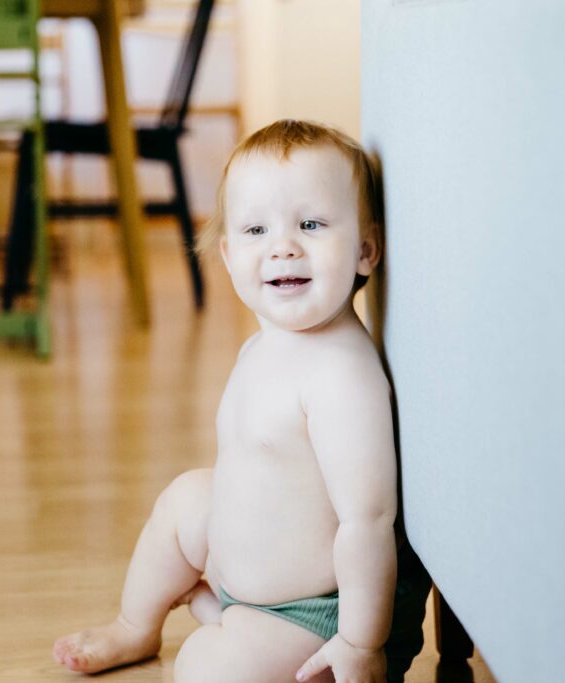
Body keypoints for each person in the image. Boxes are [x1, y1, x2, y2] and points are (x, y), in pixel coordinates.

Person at [53, 119, 429, 682]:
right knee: (185, 499)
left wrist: (361, 642)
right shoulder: (261, 346)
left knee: (202, 667)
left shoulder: (342, 376)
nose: (282, 247)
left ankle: (228, 625)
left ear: (365, 250)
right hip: (247, 579)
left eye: (310, 224)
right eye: (256, 230)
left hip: (316, 614)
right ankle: (137, 624)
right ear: (228, 257)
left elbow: (368, 521)